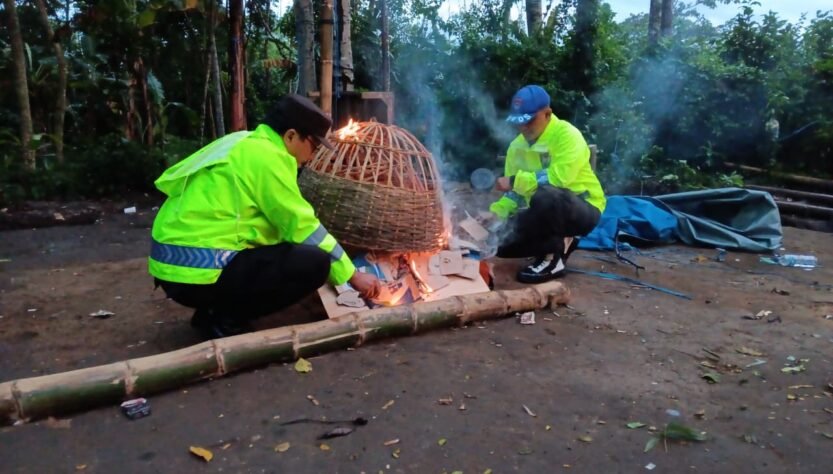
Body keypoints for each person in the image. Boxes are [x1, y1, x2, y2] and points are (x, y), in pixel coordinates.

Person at [148, 94, 380, 339]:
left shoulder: (243, 142)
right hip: (195, 272)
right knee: (315, 263)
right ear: (291, 135)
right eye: (313, 145)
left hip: (172, 264)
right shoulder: (269, 159)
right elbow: (302, 226)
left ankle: (212, 311)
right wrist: (352, 274)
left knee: (282, 247)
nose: (312, 156)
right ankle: (227, 321)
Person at [488, 85, 606, 283]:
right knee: (500, 245)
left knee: (545, 195)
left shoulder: (568, 135)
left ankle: (553, 259)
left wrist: (514, 181)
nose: (523, 128)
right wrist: (496, 213)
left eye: (529, 121)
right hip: (541, 208)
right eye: (519, 122)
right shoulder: (516, 147)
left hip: (582, 206)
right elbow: (514, 194)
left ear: (547, 113)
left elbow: (559, 178)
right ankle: (563, 241)